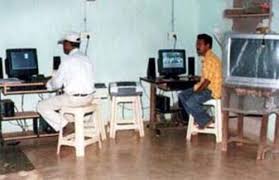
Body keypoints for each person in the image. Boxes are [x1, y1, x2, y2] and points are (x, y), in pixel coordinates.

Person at [37, 32, 95, 132]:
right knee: (64, 110)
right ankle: (73, 131)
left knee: (41, 106)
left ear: (68, 44)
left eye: (64, 44)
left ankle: (67, 126)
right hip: (88, 98)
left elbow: (56, 84)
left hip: (74, 100)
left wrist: (47, 84)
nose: (63, 47)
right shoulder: (86, 58)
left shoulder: (67, 60)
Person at [179, 34, 222, 129]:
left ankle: (206, 120)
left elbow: (207, 82)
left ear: (207, 46)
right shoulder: (207, 58)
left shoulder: (210, 59)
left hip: (212, 91)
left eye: (200, 44)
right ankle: (198, 120)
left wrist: (196, 92)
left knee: (190, 101)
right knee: (182, 95)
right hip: (206, 88)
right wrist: (196, 89)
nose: (197, 46)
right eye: (197, 43)